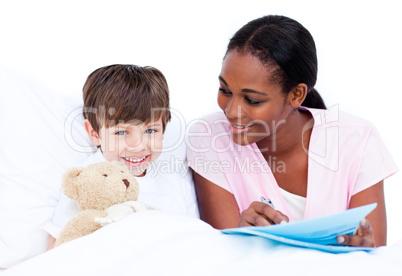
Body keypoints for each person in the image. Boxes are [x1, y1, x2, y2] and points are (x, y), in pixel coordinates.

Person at [186, 15, 398, 247]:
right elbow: (221, 257)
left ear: (296, 95)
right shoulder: (209, 139)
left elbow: (373, 252)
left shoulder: (356, 140)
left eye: (252, 100)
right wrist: (240, 239)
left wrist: (365, 252)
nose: (232, 111)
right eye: (224, 90)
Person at [45, 64, 198, 249]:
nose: (139, 145)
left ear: (164, 129)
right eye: (121, 133)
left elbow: (195, 238)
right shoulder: (87, 181)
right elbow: (59, 243)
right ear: (94, 133)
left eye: (150, 130)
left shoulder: (175, 181)